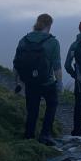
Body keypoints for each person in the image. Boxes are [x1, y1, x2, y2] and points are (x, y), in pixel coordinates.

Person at [13, 13, 62, 146]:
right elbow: (57, 66)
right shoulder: (53, 42)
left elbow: (16, 63)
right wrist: (60, 83)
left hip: (30, 82)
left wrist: (18, 82)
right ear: (49, 25)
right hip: (47, 81)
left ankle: (29, 135)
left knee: (32, 108)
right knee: (52, 105)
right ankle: (45, 134)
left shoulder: (24, 40)